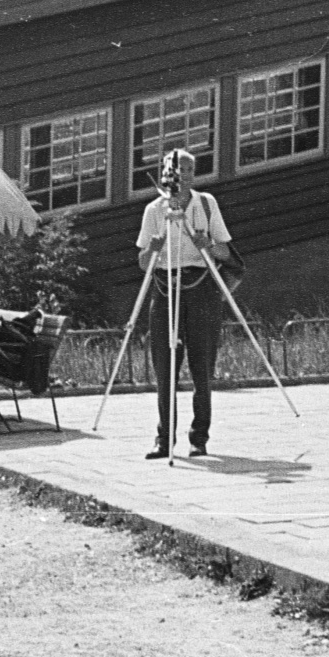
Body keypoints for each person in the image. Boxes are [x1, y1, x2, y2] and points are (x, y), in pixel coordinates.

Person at [136, 149, 232, 459]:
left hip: (200, 285)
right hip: (165, 286)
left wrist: (207, 244)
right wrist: (153, 249)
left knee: (201, 364)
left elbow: (225, 253)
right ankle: (164, 438)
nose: (183, 174)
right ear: (165, 173)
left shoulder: (206, 203)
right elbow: (142, 263)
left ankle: (199, 437)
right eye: (176, 169)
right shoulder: (154, 210)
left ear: (195, 172)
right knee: (164, 365)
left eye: (188, 169)